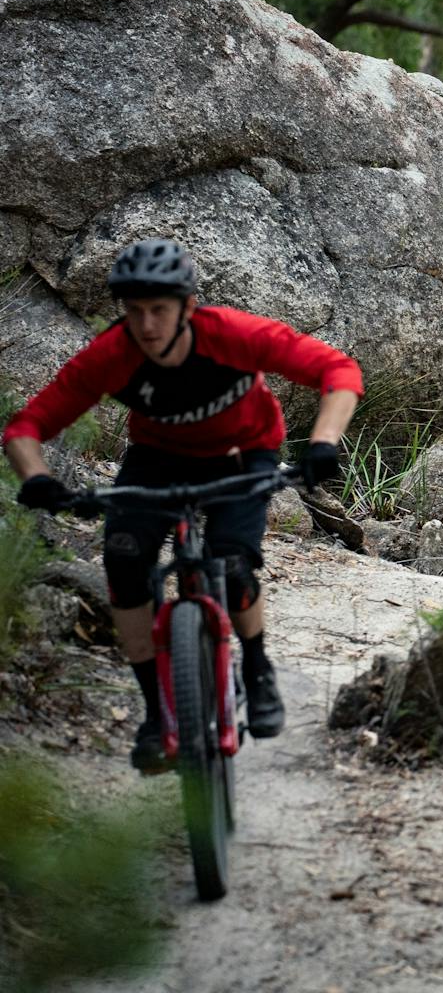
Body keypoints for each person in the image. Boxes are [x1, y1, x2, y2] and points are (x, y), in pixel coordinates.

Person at [3, 239, 363, 772]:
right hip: (158, 460)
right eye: (135, 312)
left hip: (244, 454)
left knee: (234, 564)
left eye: (160, 310)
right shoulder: (113, 355)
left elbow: (339, 372)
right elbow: (26, 427)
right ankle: (156, 712)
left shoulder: (234, 336)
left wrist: (323, 444)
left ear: (188, 307)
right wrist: (37, 479)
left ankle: (258, 670)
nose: (147, 325)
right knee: (124, 560)